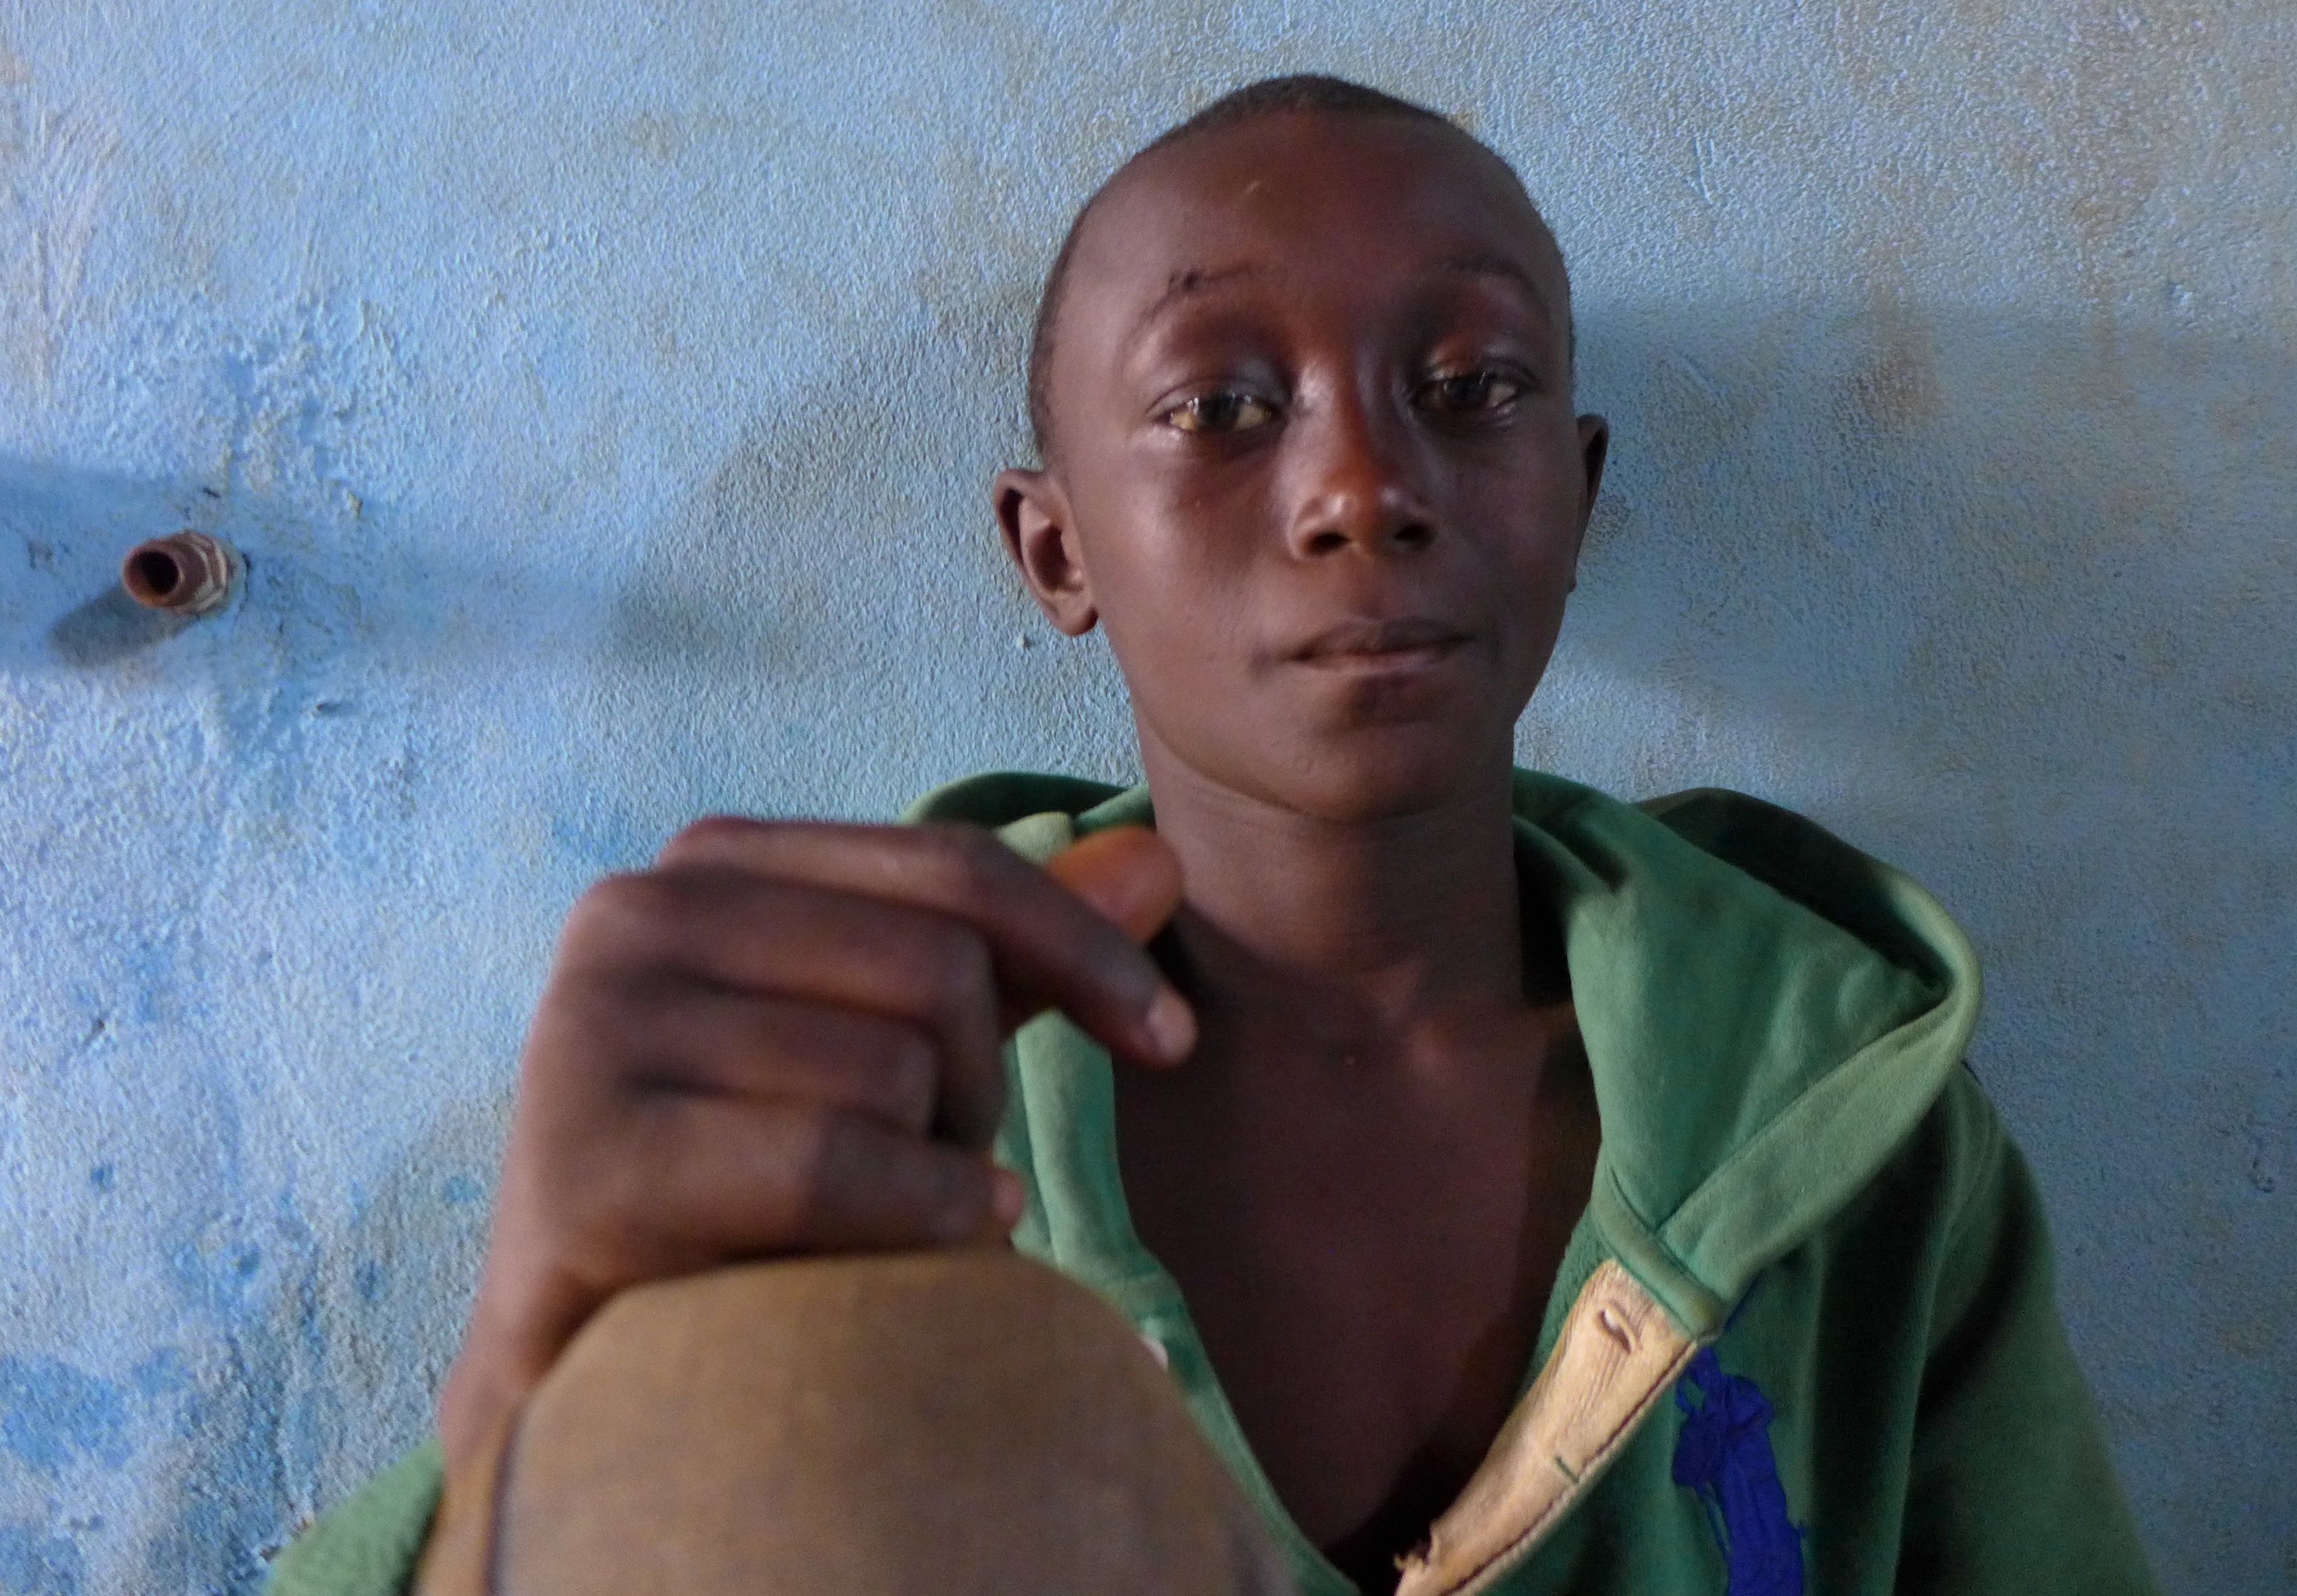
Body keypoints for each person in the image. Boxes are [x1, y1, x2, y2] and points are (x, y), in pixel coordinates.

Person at [267, 75, 2158, 1596]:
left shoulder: (1849, 1121)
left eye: (1473, 389)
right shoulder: (852, 1104)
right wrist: (521, 1405)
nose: (1357, 484)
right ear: (1054, 546)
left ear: (1571, 500)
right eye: (1220, 407)